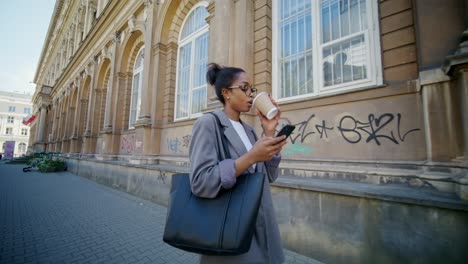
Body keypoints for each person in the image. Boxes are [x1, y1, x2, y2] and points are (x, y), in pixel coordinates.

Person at [189, 63, 287, 264]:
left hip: (261, 224)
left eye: (252, 89)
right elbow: (200, 182)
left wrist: (269, 131)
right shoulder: (208, 123)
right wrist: (251, 157)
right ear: (226, 93)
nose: (251, 94)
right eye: (244, 88)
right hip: (230, 227)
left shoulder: (250, 130)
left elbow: (268, 177)